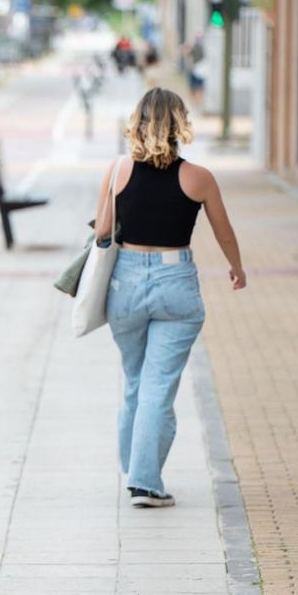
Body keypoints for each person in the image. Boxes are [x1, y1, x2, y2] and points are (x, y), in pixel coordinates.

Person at [94, 88, 245, 508]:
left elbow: (103, 232)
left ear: (137, 121)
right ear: (180, 124)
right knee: (157, 385)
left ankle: (134, 471)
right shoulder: (199, 178)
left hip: (125, 283)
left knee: (136, 382)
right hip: (174, 282)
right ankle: (143, 481)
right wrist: (237, 267)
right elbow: (224, 232)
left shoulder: (117, 170)